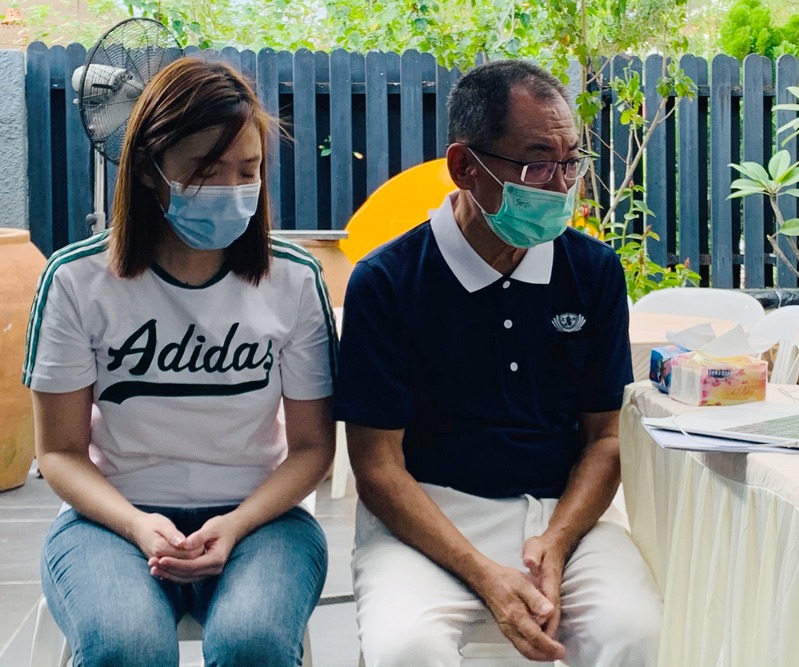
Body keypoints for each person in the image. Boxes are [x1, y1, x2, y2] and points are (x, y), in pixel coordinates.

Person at [334, 59, 662, 666]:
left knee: (635, 631)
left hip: (562, 514)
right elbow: (376, 467)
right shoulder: (388, 281)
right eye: (537, 165)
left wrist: (557, 541)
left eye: (571, 163)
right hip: (426, 518)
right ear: (465, 167)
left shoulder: (591, 272)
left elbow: (606, 438)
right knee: (407, 648)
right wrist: (484, 573)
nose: (560, 186)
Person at [23, 58, 337, 666]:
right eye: (205, 171)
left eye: (247, 170)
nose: (232, 188)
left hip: (263, 520)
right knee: (126, 646)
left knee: (252, 644)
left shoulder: (295, 279)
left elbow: (311, 448)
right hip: (110, 519)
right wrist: (137, 524)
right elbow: (58, 452)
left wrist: (237, 522)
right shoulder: (76, 280)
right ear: (148, 169)